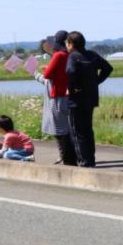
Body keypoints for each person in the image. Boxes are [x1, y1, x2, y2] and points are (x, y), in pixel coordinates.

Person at [64, 31, 113, 167]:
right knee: (87, 130)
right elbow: (108, 68)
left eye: (67, 44)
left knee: (76, 132)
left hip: (75, 101)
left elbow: (70, 72)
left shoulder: (73, 56)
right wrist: (95, 82)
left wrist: (72, 88)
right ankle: (90, 160)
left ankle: (84, 162)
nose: (66, 46)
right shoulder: (92, 55)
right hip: (90, 99)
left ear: (71, 44)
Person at [35, 32, 77, 165]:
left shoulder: (59, 55)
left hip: (58, 95)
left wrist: (41, 70)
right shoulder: (72, 55)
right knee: (69, 128)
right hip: (69, 94)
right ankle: (70, 158)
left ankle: (67, 159)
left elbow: (47, 75)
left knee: (60, 131)